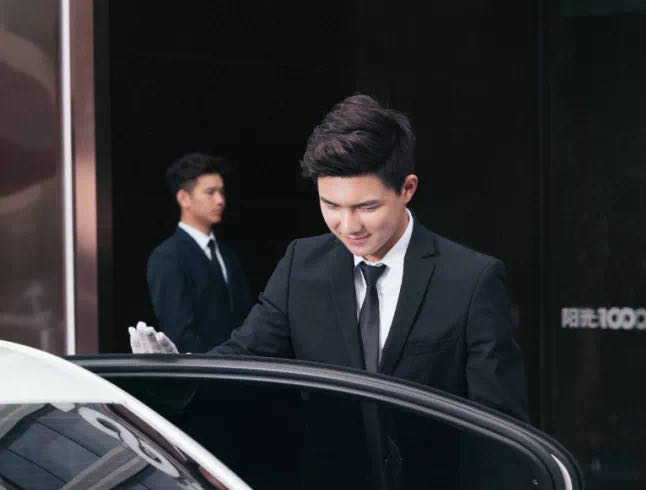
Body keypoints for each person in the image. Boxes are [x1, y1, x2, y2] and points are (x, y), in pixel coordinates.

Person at [130, 95, 527, 422]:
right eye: (330, 205)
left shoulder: (471, 280)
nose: (348, 226)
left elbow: (499, 426)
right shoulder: (301, 266)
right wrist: (176, 372)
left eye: (367, 207)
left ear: (407, 189)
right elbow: (243, 359)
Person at [147, 153, 253, 352]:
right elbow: (178, 332)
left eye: (221, 192)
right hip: (201, 367)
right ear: (184, 198)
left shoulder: (228, 255)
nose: (220, 200)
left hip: (239, 365)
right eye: (210, 192)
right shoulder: (167, 257)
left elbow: (246, 320)